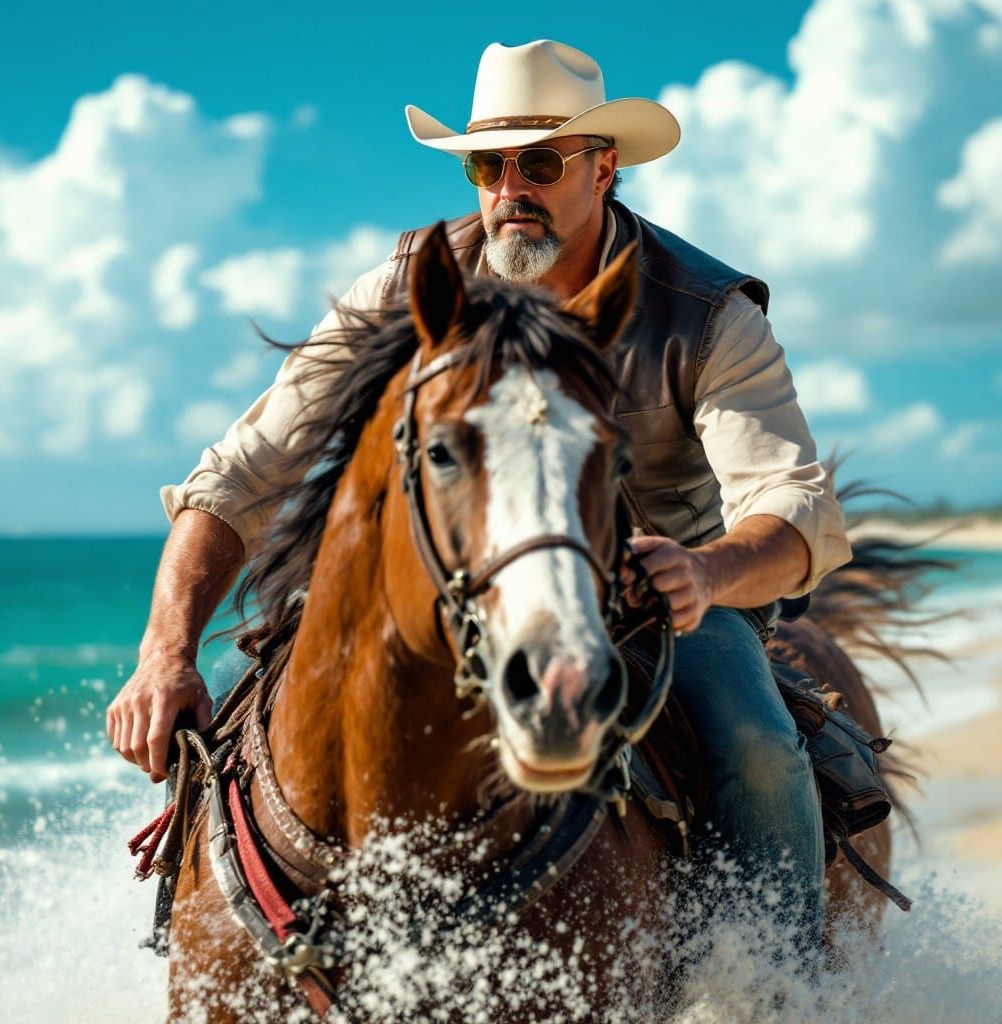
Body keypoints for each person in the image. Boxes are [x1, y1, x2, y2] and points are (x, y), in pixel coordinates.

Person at [107, 39, 850, 948]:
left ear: (604, 168)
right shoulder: (405, 290)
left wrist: (704, 570)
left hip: (659, 601)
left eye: (539, 163)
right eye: (485, 165)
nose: (510, 189)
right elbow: (243, 473)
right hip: (429, 589)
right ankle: (196, 943)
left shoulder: (705, 314)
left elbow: (795, 509)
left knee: (760, 751)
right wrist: (163, 652)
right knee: (231, 720)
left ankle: (775, 985)